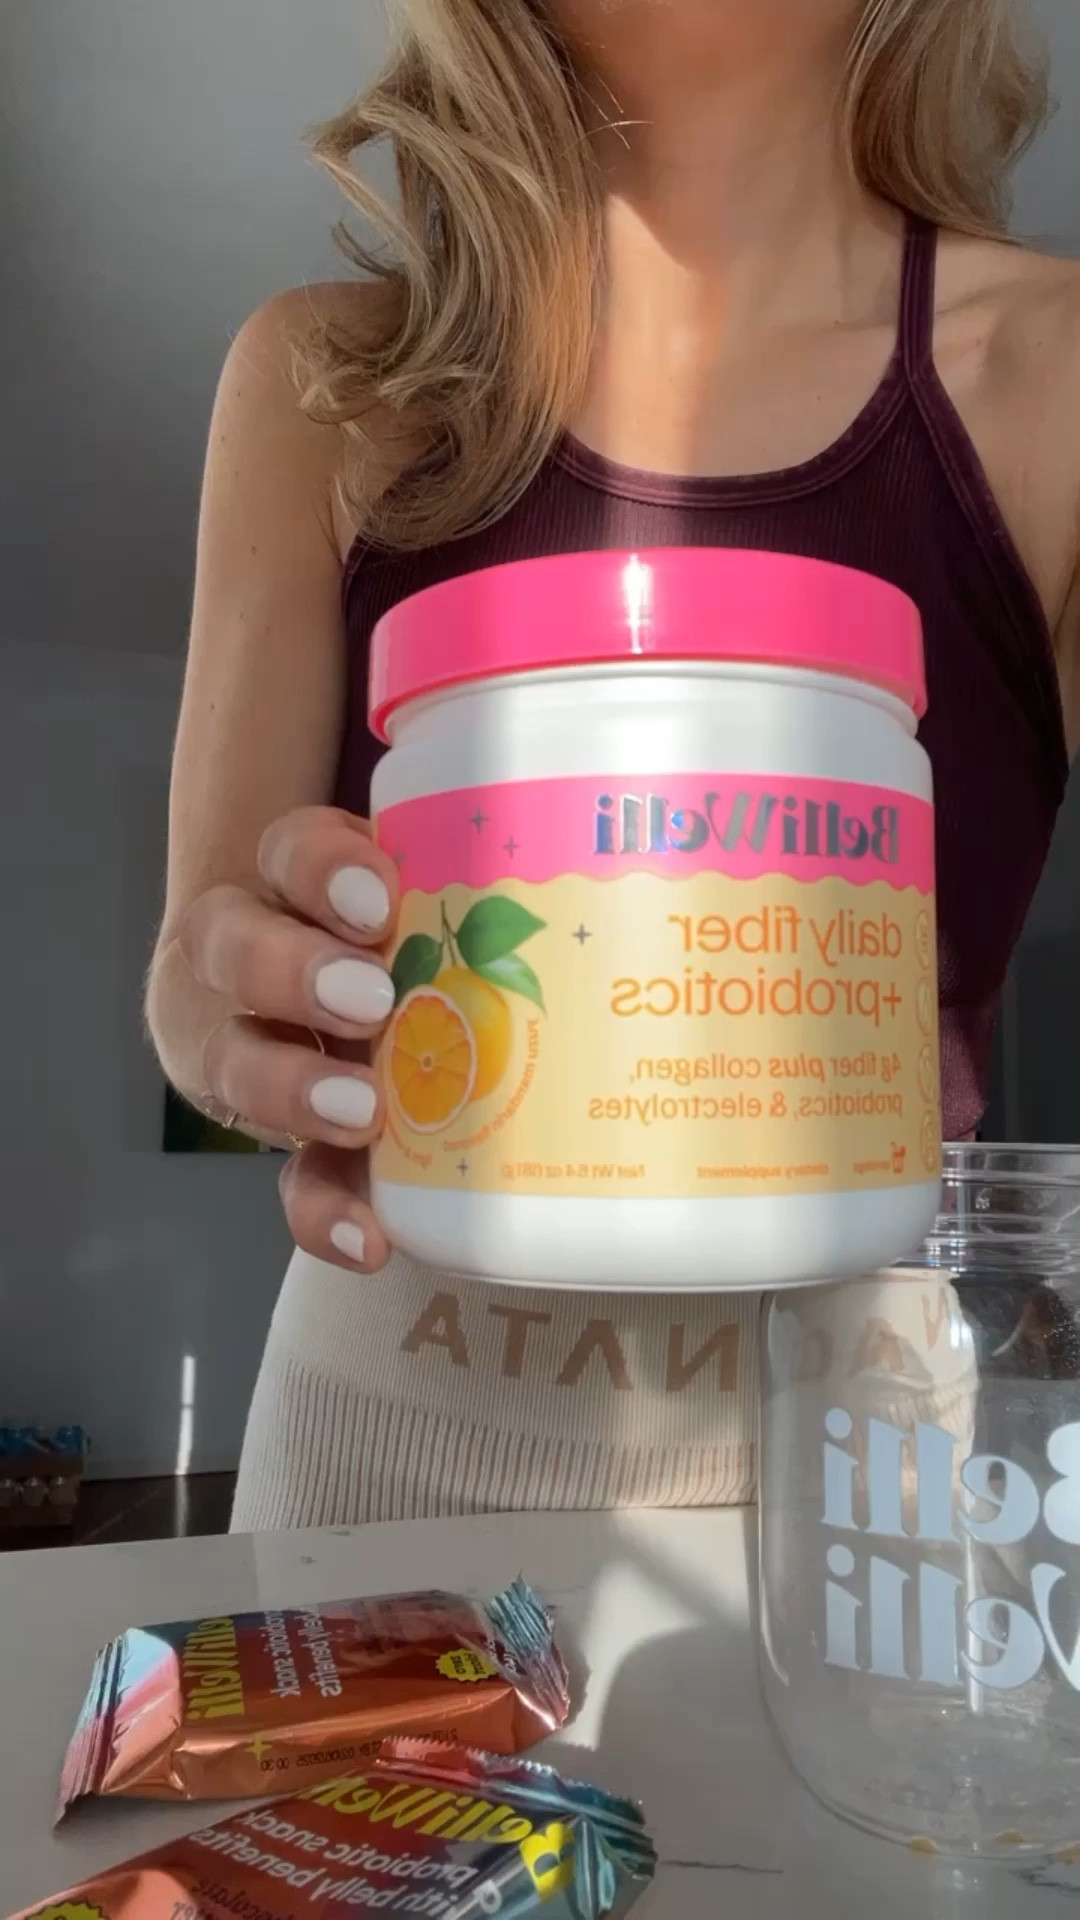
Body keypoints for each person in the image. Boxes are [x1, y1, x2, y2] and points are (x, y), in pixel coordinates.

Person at [146, 0, 1079, 1531]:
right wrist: (244, 1025)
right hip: (386, 1407)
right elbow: (196, 981)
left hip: (854, 1451)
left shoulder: (1056, 375)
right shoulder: (328, 380)